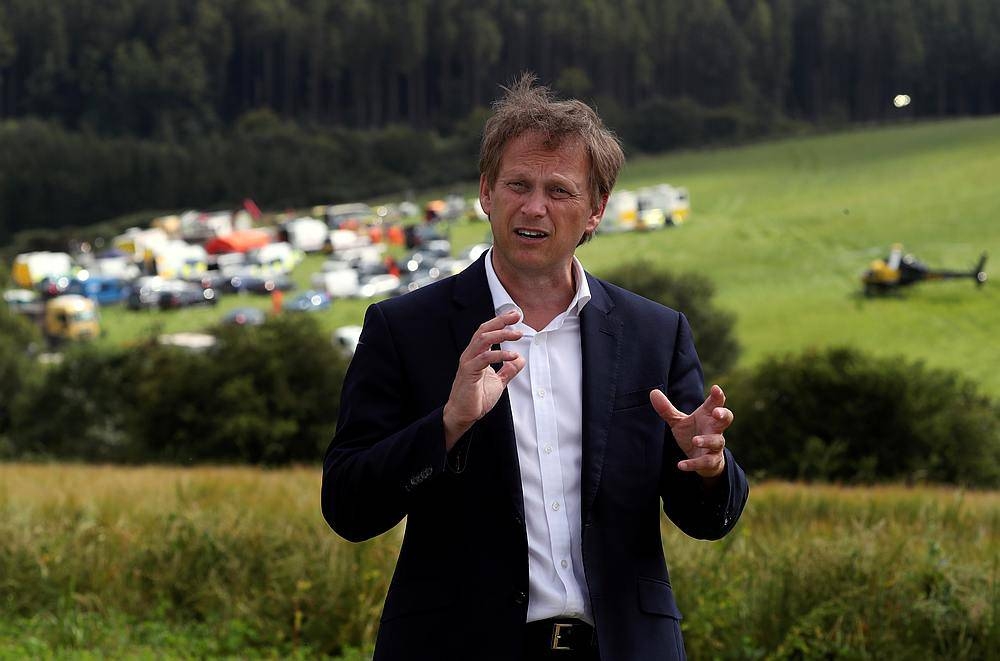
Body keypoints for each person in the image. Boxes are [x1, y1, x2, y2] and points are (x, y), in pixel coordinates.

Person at [322, 74, 748, 661]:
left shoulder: (655, 333)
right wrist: (446, 425)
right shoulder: (404, 330)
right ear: (485, 192)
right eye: (518, 184)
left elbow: (708, 520)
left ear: (596, 210)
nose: (534, 207)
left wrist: (708, 467)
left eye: (559, 190)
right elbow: (348, 507)